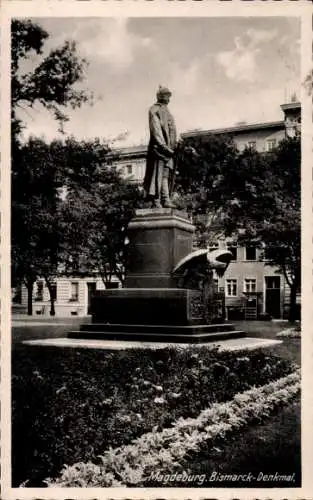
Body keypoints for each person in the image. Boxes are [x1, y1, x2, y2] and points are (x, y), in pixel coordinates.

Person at [143, 86, 177, 208]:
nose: (169, 98)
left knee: (165, 175)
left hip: (169, 150)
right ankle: (158, 200)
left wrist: (173, 147)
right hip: (159, 149)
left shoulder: (166, 111)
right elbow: (156, 130)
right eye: (167, 95)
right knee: (157, 174)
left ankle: (165, 199)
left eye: (169, 96)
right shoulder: (154, 109)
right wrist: (164, 147)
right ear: (161, 96)